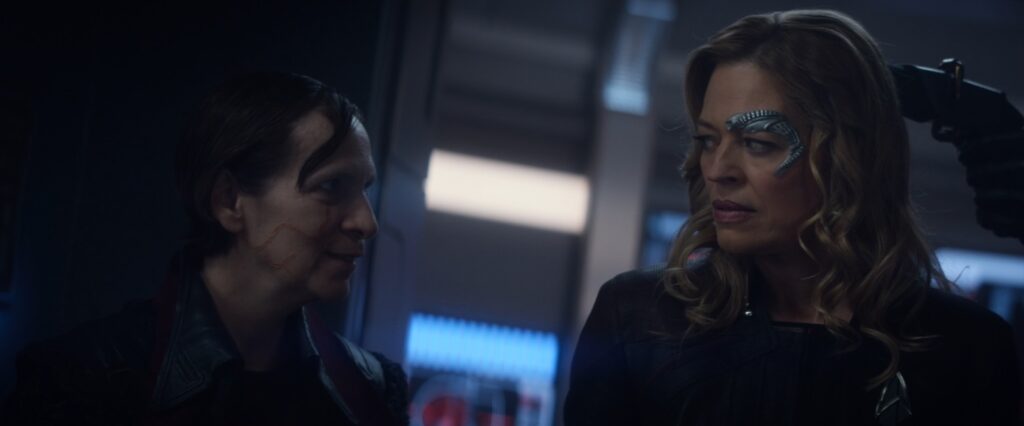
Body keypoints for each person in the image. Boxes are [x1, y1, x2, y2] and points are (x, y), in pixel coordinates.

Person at [565, 10, 1020, 426]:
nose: (718, 170)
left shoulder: (965, 349)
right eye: (708, 140)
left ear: (846, 157)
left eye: (758, 143)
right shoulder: (638, 319)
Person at [4, 73, 408, 425]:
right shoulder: (83, 380)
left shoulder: (371, 390)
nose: (367, 223)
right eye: (331, 186)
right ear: (229, 200)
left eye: (364, 189)